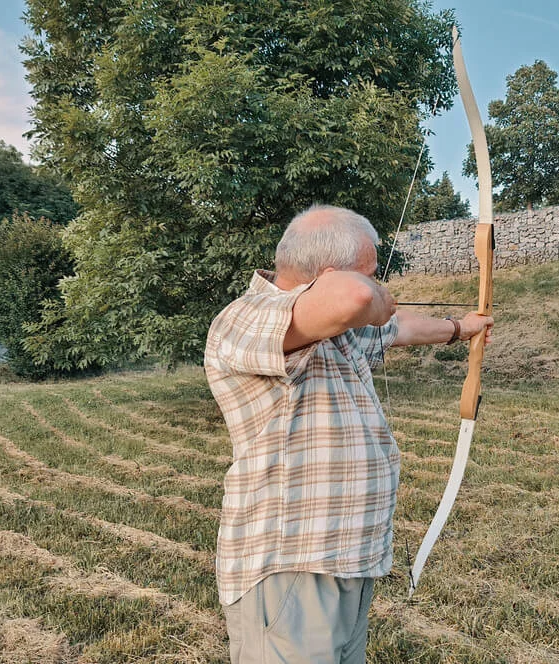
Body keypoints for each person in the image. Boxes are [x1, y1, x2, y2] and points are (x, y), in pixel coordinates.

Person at [204, 204, 493, 664]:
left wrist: (461, 328)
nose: (379, 282)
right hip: (291, 568)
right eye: (373, 270)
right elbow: (356, 299)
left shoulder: (337, 333)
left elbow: (401, 328)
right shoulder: (246, 316)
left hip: (348, 559)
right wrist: (374, 297)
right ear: (331, 273)